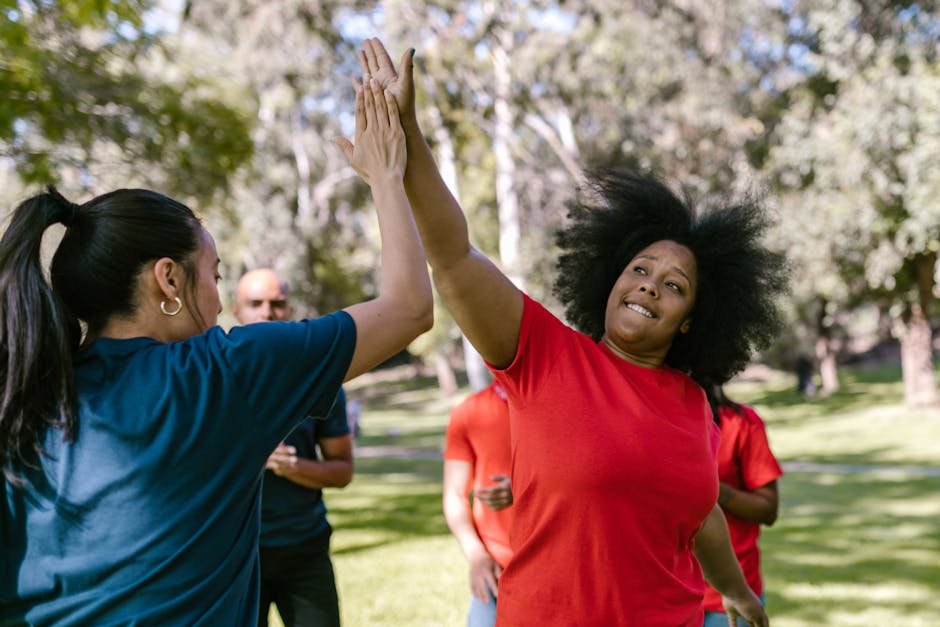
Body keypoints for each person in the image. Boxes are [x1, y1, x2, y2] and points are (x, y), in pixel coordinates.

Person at [355, 38, 788, 626]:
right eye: (640, 269)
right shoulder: (545, 353)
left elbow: (701, 509)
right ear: (611, 279)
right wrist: (410, 137)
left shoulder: (693, 406)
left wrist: (735, 591)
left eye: (675, 285)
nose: (650, 286)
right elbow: (454, 257)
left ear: (691, 321)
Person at [0, 79, 431, 625]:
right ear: (169, 281)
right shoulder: (224, 375)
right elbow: (410, 307)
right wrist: (387, 175)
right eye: (215, 275)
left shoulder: (21, 394)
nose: (220, 300)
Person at [232, 268, 353, 627]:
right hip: (237, 557)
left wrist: (292, 466)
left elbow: (343, 471)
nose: (267, 312)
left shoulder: (318, 381)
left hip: (305, 551)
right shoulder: (212, 378)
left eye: (278, 303)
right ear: (235, 310)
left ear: (290, 309)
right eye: (255, 304)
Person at [703, 386, 783, 627]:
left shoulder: (741, 422)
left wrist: (714, 489)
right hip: (664, 593)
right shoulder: (651, 419)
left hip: (730, 595)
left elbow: (767, 510)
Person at [443, 381, 513, 627]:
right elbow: (454, 494)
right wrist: (476, 555)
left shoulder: (566, 401)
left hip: (562, 571)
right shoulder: (469, 411)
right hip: (495, 570)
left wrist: (528, 489)